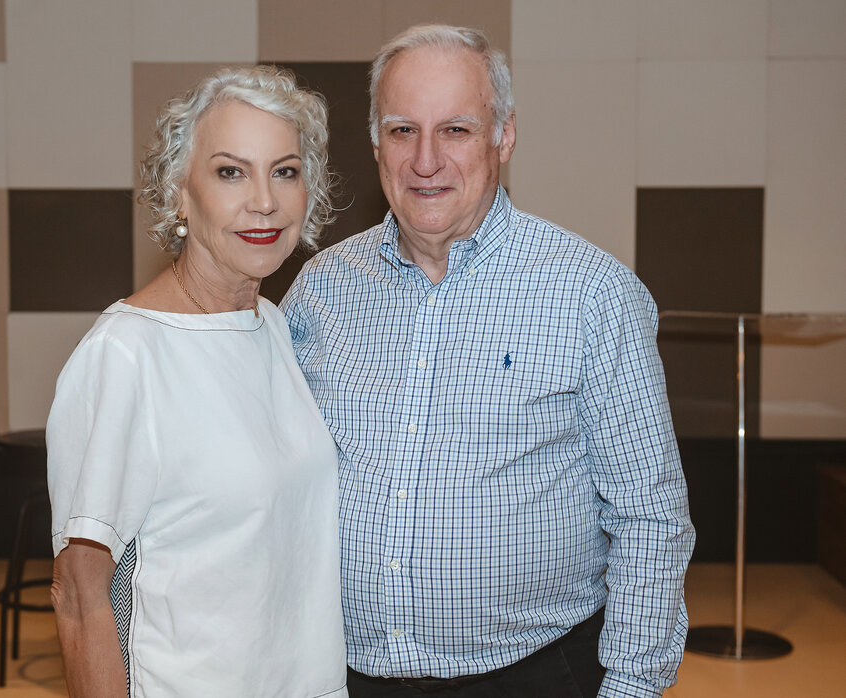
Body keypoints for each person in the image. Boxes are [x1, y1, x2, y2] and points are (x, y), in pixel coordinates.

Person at [281, 24, 695, 698]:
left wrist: (632, 687)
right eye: (402, 130)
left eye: (456, 130)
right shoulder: (320, 290)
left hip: (534, 676)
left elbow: (650, 518)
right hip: (343, 675)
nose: (425, 161)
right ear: (375, 141)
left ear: (503, 136)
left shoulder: (592, 293)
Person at [47, 65, 347, 698]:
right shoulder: (127, 354)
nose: (263, 200)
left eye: (285, 171)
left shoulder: (273, 327)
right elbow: (82, 595)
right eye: (230, 171)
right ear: (180, 192)